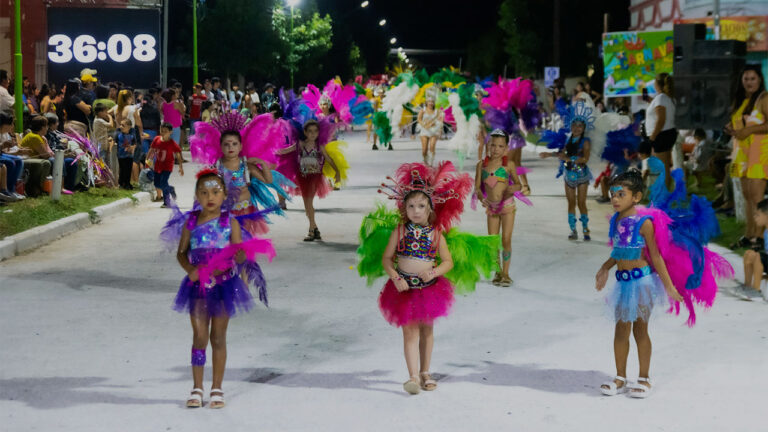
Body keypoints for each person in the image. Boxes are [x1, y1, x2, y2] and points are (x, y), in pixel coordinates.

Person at [356, 162, 498, 394]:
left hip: (429, 289)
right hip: (403, 289)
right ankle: (412, 376)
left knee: (427, 331)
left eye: (422, 205)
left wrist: (433, 271)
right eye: (411, 206)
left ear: (431, 209)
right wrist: (394, 276)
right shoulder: (399, 231)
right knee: (409, 332)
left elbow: (447, 262)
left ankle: (425, 372)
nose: (416, 210)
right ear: (404, 208)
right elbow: (387, 258)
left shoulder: (436, 234)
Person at [162, 168, 274, 409]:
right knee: (199, 336)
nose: (209, 197)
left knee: (218, 337)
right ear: (196, 195)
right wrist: (188, 268)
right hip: (197, 286)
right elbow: (182, 253)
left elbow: (237, 253)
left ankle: (216, 388)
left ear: (224, 195)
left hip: (223, 286)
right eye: (203, 192)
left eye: (215, 191)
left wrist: (242, 255)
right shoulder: (190, 222)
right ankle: (197, 387)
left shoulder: (230, 222)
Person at [596, 171, 683, 398]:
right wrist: (605, 267)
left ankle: (644, 378)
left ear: (636, 197)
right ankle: (620, 377)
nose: (614, 199)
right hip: (622, 284)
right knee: (620, 330)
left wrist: (670, 287)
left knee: (640, 330)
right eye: (612, 193)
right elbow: (619, 251)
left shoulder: (644, 223)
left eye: (620, 194)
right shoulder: (616, 221)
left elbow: (655, 256)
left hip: (642, 283)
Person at [189, 111, 283, 236]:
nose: (230, 147)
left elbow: (268, 180)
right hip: (223, 212)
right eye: (226, 144)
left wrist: (262, 163)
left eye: (234, 144)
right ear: (221, 147)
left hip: (245, 211)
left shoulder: (246, 166)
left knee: (243, 244)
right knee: (227, 244)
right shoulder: (217, 167)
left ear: (240, 146)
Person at [474, 130, 530, 287]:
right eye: (493, 145)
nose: (495, 149)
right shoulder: (481, 166)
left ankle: (505, 273)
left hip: (507, 207)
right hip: (492, 208)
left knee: (506, 239)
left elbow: (518, 184)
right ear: (487, 146)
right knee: (493, 241)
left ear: (506, 148)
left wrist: (514, 189)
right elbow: (477, 188)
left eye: (500, 146)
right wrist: (481, 198)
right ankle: (497, 272)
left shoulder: (508, 165)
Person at [279, 119, 343, 241]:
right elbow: (285, 151)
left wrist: (337, 172)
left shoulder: (319, 146)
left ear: (319, 132)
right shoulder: (300, 144)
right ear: (305, 132)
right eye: (310, 131)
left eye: (315, 131)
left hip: (315, 177)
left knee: (309, 204)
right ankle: (315, 228)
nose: (313, 134)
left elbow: (328, 159)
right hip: (302, 177)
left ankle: (311, 231)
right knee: (307, 205)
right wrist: (271, 152)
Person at [727, 65, 768, 250]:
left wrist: (748, 130)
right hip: (742, 153)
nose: (749, 82)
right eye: (746, 79)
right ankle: (749, 234)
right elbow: (740, 124)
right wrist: (733, 129)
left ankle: (759, 238)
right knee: (747, 196)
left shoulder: (764, 98)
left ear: (759, 79)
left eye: (752, 78)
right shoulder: (743, 100)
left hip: (759, 153)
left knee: (757, 197)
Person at [539, 102, 594, 240]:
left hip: (582, 175)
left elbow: (585, 159)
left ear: (584, 128)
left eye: (580, 126)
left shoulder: (586, 141)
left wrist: (569, 159)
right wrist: (549, 154)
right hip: (568, 174)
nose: (576, 128)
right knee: (571, 203)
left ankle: (586, 229)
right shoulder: (568, 139)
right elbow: (561, 154)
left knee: (581, 203)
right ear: (571, 126)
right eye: (574, 125)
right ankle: (573, 230)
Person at [644, 73, 677, 188]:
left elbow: (661, 120)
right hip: (667, 133)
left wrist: (653, 136)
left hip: (661, 135)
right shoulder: (666, 98)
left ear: (658, 84)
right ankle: (665, 193)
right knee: (665, 166)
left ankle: (662, 197)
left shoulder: (661, 98)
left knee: (661, 168)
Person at [148, 122, 184, 206]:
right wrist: (148, 159)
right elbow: (152, 149)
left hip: (167, 167)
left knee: (163, 183)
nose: (163, 133)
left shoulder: (172, 143)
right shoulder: (156, 139)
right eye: (162, 130)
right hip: (158, 166)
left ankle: (166, 201)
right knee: (157, 184)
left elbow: (178, 153)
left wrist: (180, 167)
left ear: (170, 132)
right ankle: (171, 189)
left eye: (165, 131)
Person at [739, 198, 768, 301]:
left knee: (758, 257)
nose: (755, 218)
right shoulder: (766, 231)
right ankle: (747, 287)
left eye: (757, 215)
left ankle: (756, 291)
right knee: (749, 253)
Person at [0, 112, 25, 200]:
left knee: (18, 160)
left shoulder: (3, 134)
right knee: (10, 163)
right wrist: (3, 145)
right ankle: (5, 190)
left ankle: (12, 190)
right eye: (10, 123)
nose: (12, 126)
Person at [417, 97, 444, 165]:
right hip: (424, 130)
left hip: (434, 131)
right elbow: (419, 119)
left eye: (432, 102)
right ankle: (425, 160)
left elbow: (441, 120)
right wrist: (424, 124)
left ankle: (431, 162)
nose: (431, 103)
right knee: (424, 149)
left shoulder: (437, 111)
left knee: (432, 147)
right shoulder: (422, 110)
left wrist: (437, 123)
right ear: (426, 102)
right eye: (429, 101)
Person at [115, 119, 138, 189]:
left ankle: (127, 183)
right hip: (121, 156)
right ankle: (121, 183)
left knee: (128, 170)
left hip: (129, 156)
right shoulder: (118, 135)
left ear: (129, 127)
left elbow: (135, 144)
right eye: (120, 125)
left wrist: (132, 147)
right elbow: (115, 142)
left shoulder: (131, 136)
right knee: (122, 170)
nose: (121, 127)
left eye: (123, 125)